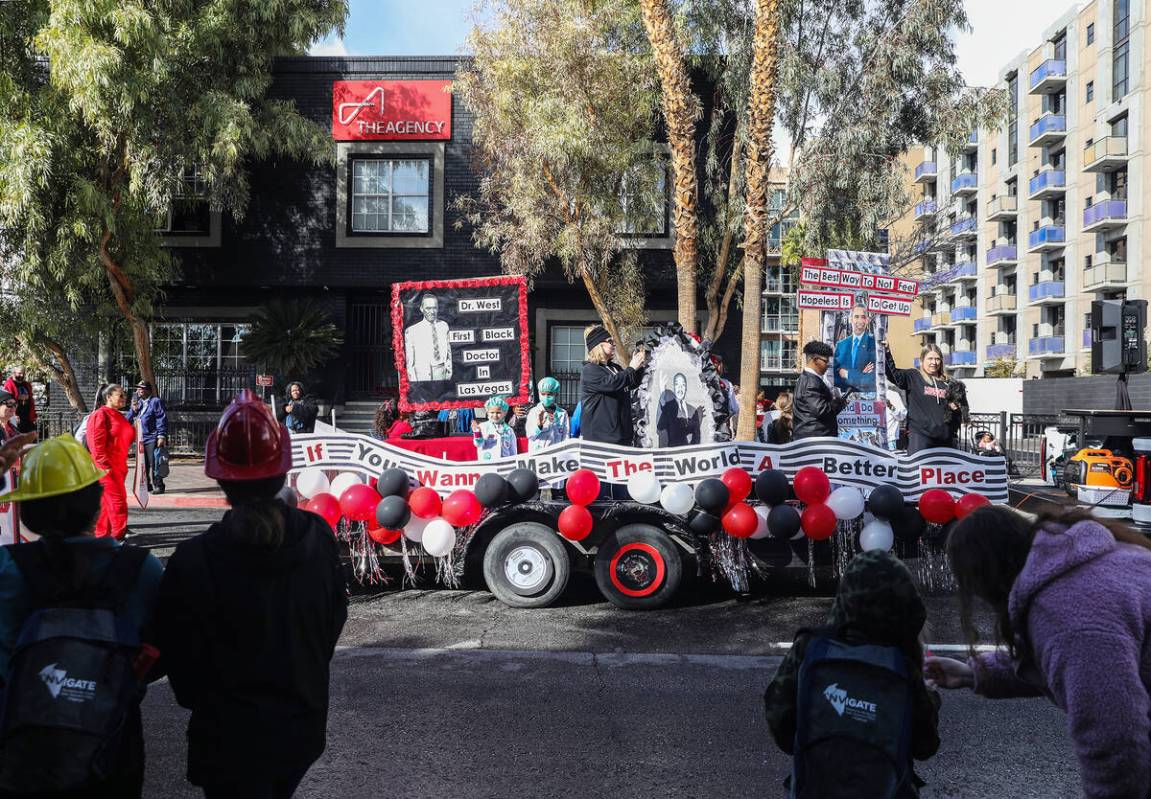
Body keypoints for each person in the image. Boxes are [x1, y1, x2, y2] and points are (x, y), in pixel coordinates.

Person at [155, 390, 347, 799]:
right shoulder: (318, 538)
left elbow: (180, 660)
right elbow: (330, 624)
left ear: (219, 476)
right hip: (299, 725)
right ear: (281, 471)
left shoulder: (192, 561)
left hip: (227, 736)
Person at [926, 507, 1151, 798]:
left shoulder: (1068, 614)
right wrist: (974, 672)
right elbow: (1062, 659)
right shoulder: (1075, 558)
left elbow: (1113, 736)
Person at [0, 433, 163, 799]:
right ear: (96, 501)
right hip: (110, 743)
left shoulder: (7, 568)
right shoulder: (139, 569)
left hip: (18, 743)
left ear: (28, 510)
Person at [764, 551, 940, 797]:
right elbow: (926, 745)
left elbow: (780, 721)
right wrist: (931, 696)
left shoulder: (811, 648)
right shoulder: (902, 662)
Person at [578, 325, 646, 445]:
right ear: (598, 345)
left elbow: (630, 383)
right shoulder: (590, 370)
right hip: (600, 438)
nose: (614, 344)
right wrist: (631, 368)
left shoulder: (615, 368)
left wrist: (639, 367)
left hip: (622, 436)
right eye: (610, 341)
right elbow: (612, 384)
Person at [885, 344, 959, 453]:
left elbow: (956, 410)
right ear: (922, 360)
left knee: (944, 469)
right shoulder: (913, 376)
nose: (934, 362)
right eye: (930, 358)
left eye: (937, 359)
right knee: (918, 470)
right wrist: (887, 352)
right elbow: (893, 375)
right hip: (920, 437)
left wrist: (956, 410)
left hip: (945, 439)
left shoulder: (947, 383)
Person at [87, 384, 135, 541]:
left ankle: (102, 539)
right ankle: (117, 539)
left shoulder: (118, 415)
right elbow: (95, 443)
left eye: (124, 395)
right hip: (106, 469)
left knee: (107, 508)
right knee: (118, 505)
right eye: (120, 395)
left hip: (119, 467)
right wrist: (104, 467)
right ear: (108, 397)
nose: (124, 398)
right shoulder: (100, 415)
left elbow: (126, 437)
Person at [792, 341, 849, 440]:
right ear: (815, 360)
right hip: (815, 441)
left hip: (814, 439)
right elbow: (822, 411)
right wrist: (838, 402)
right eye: (825, 361)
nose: (828, 365)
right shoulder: (811, 381)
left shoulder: (809, 379)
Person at [127, 380, 168, 494]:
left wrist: (161, 435)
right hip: (141, 437)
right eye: (138, 388)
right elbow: (127, 419)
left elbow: (161, 418)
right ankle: (147, 485)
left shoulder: (155, 401)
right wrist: (133, 410)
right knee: (142, 463)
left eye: (142, 388)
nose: (139, 390)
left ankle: (159, 485)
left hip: (152, 436)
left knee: (154, 461)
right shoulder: (138, 403)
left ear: (148, 390)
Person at [404, 294, 452, 382]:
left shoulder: (444, 326)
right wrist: (415, 384)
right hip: (422, 377)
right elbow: (409, 363)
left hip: (442, 375)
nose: (432, 311)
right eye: (428, 308)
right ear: (422, 309)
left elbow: (449, 353)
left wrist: (448, 373)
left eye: (434, 308)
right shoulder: (412, 331)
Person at [833, 305, 876, 394]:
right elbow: (834, 377)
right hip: (843, 399)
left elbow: (872, 379)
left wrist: (847, 374)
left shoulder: (874, 345)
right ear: (851, 319)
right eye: (856, 317)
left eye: (863, 317)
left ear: (867, 320)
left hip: (866, 399)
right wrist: (861, 375)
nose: (860, 320)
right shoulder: (841, 345)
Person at [656, 372, 703, 447]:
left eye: (683, 385)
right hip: (670, 455)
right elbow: (660, 427)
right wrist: (663, 393)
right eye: (677, 384)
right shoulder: (669, 407)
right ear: (674, 387)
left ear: (686, 388)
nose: (680, 388)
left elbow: (696, 439)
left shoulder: (693, 410)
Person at [525, 377, 570, 451]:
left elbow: (566, 435)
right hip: (539, 456)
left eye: (549, 394)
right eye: (543, 394)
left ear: (556, 394)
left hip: (556, 456)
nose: (546, 397)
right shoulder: (534, 412)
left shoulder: (562, 413)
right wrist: (539, 426)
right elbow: (530, 436)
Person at [472, 396, 517, 461]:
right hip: (488, 464)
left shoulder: (509, 430)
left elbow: (513, 450)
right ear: (487, 413)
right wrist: (477, 434)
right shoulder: (482, 427)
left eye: (498, 413)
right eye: (492, 412)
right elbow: (478, 444)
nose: (495, 415)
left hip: (504, 464)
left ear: (504, 413)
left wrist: (514, 462)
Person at [2, 367, 35, 435]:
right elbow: (8, 401)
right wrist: (13, 416)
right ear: (14, 373)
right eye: (19, 373)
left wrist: (33, 416)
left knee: (30, 439)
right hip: (16, 416)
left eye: (23, 373)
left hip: (27, 416)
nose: (22, 375)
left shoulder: (27, 385)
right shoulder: (9, 384)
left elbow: (31, 400)